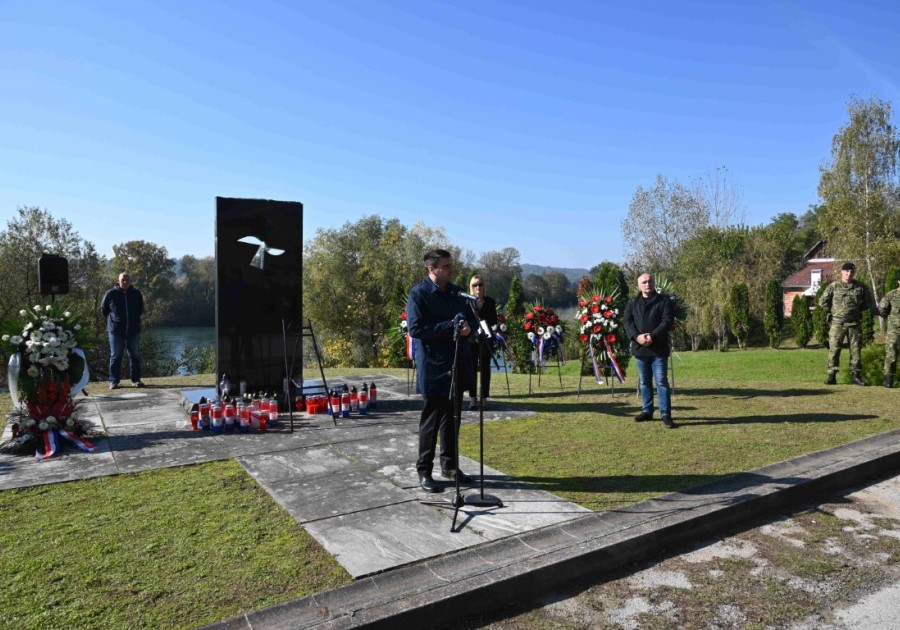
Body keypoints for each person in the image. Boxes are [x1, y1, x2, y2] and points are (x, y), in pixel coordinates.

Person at [406, 249, 475, 492]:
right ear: (431, 269)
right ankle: (424, 472)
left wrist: (469, 328)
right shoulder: (419, 294)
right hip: (433, 367)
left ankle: (450, 466)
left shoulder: (457, 293)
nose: (451, 270)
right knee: (431, 421)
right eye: (445, 266)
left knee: (452, 420)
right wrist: (450, 326)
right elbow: (416, 329)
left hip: (456, 363)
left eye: (450, 265)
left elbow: (470, 319)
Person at [624, 273, 676, 428]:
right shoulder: (632, 303)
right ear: (639, 285)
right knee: (645, 382)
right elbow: (627, 322)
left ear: (654, 283)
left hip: (658, 348)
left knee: (661, 381)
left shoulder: (664, 301)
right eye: (644, 282)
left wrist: (652, 336)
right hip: (640, 348)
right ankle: (647, 411)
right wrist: (636, 337)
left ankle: (665, 414)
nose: (647, 284)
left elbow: (666, 322)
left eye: (650, 281)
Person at [820, 262, 877, 386]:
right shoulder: (833, 286)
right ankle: (832, 375)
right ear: (842, 272)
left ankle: (856, 376)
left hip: (854, 323)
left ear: (854, 273)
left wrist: (856, 311)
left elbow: (868, 303)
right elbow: (823, 302)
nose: (849, 274)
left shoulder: (860, 287)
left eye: (851, 271)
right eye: (846, 271)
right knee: (834, 348)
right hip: (838, 323)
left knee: (856, 350)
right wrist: (834, 312)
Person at [101, 272, 145, 390]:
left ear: (130, 281)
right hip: (115, 331)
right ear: (118, 280)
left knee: (134, 355)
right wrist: (115, 321)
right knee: (115, 356)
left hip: (133, 330)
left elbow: (141, 309)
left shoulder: (136, 293)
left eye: (127, 280)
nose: (125, 282)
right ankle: (113, 381)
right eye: (123, 280)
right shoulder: (110, 293)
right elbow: (104, 310)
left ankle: (136, 380)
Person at [466, 274, 498, 411]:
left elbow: (494, 320)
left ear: (484, 286)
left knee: (485, 369)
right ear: (471, 287)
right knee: (471, 369)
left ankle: (484, 399)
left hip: (486, 339)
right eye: (475, 285)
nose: (478, 287)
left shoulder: (490, 301)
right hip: (471, 340)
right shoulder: (467, 301)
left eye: (480, 284)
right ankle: (473, 399)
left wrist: (484, 326)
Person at [879, 278, 900, 388]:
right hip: (894, 331)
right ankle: (889, 379)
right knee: (891, 355)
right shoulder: (891, 295)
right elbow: (882, 309)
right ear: (899, 281)